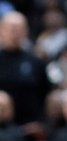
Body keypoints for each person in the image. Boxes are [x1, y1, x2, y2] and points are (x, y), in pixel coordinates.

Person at [0, 11, 51, 141]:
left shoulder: (36, 62)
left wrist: (41, 123)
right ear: (1, 30)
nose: (14, 33)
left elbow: (45, 94)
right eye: (10, 29)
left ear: (25, 31)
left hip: (29, 131)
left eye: (18, 29)